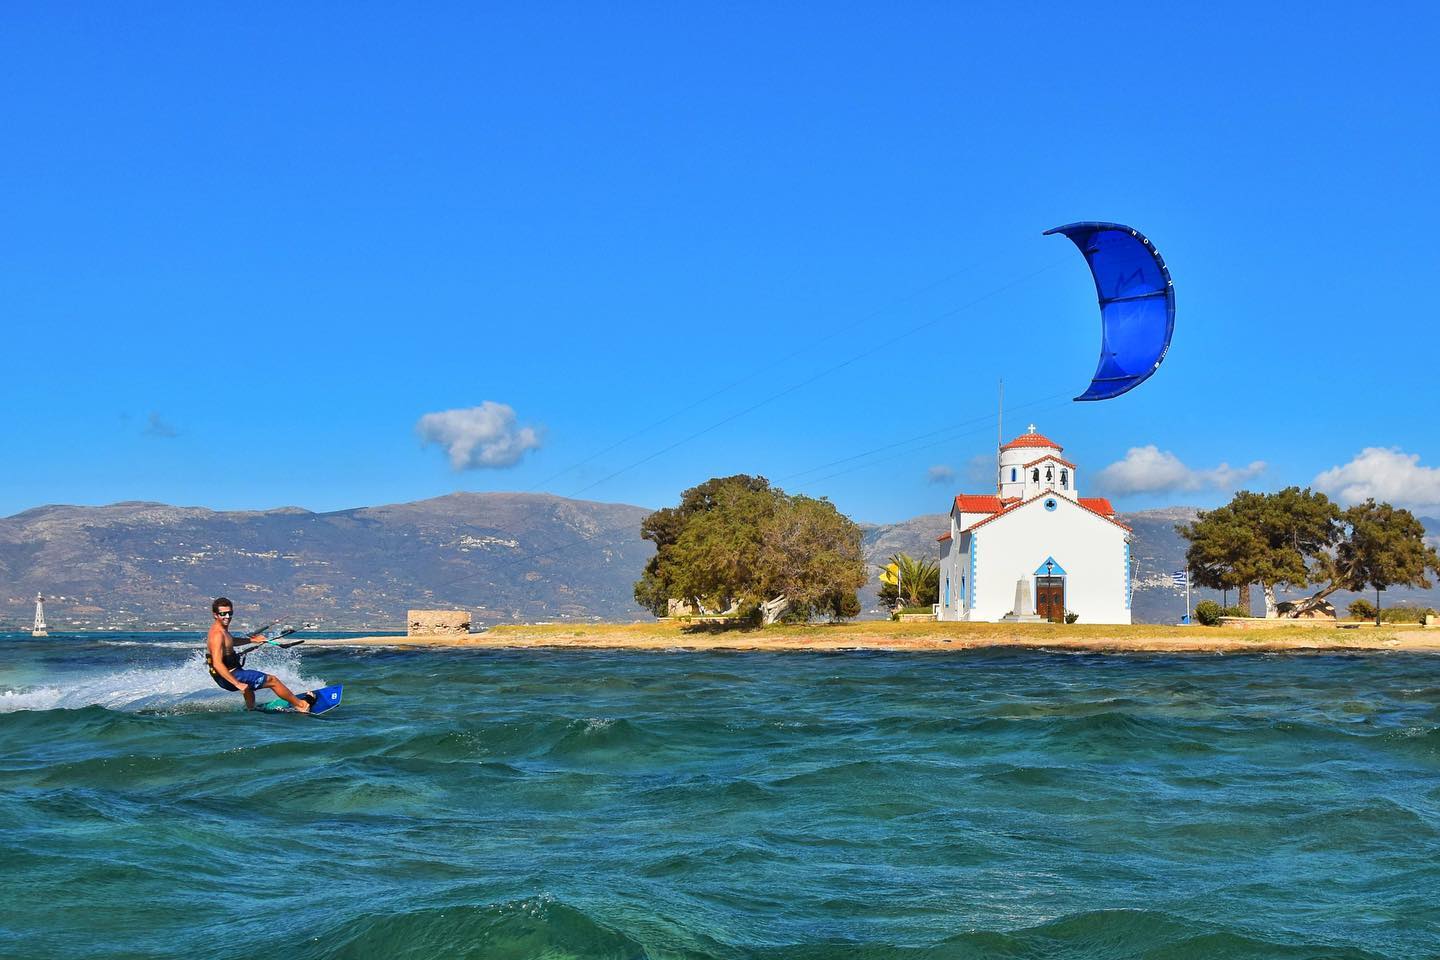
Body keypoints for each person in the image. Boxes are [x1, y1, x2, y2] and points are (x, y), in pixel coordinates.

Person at [205, 597, 310, 712]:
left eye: (230, 613)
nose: (227, 617)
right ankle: (301, 706)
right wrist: (237, 684)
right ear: (215, 615)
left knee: (248, 687)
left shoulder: (222, 630)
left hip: (231, 674)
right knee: (272, 680)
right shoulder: (217, 634)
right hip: (230, 677)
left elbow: (230, 641)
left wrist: (252, 640)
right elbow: (217, 664)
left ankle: (251, 709)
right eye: (223, 614)